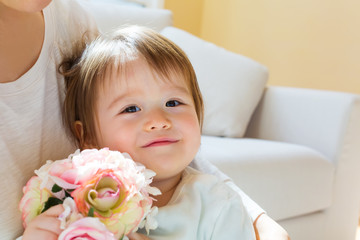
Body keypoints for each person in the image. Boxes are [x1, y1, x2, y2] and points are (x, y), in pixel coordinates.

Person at [0, 0, 289, 239]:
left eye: (173, 103)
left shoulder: (213, 205)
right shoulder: (78, 198)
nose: (159, 121)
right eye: (131, 109)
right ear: (85, 137)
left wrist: (263, 221)